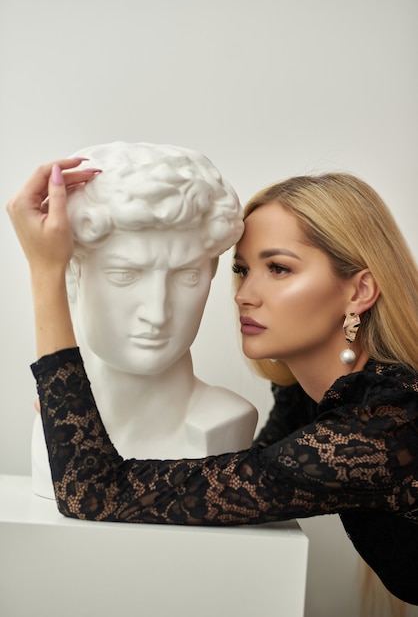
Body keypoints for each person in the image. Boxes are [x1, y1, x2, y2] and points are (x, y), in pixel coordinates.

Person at [7, 160, 418, 606]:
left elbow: (94, 493)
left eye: (278, 268)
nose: (244, 294)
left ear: (359, 291)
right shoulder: (316, 399)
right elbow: (244, 478)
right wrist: (75, 419)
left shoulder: (385, 425)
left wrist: (45, 271)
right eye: (241, 270)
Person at [30, 141, 258, 499]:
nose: (157, 311)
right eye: (126, 275)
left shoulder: (224, 424)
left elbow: (93, 492)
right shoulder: (55, 420)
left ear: (211, 271)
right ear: (74, 274)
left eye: (186, 275)